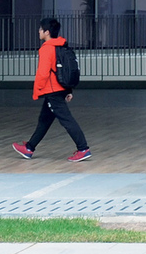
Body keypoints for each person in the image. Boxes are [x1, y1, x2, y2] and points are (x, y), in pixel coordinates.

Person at [12, 17, 91, 162]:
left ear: (47, 32)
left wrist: (37, 91)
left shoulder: (47, 48)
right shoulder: (61, 45)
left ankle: (83, 148)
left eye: (41, 29)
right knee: (44, 120)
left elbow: (43, 73)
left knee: (67, 120)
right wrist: (68, 90)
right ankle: (29, 148)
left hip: (52, 91)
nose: (39, 31)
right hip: (59, 89)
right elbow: (64, 69)